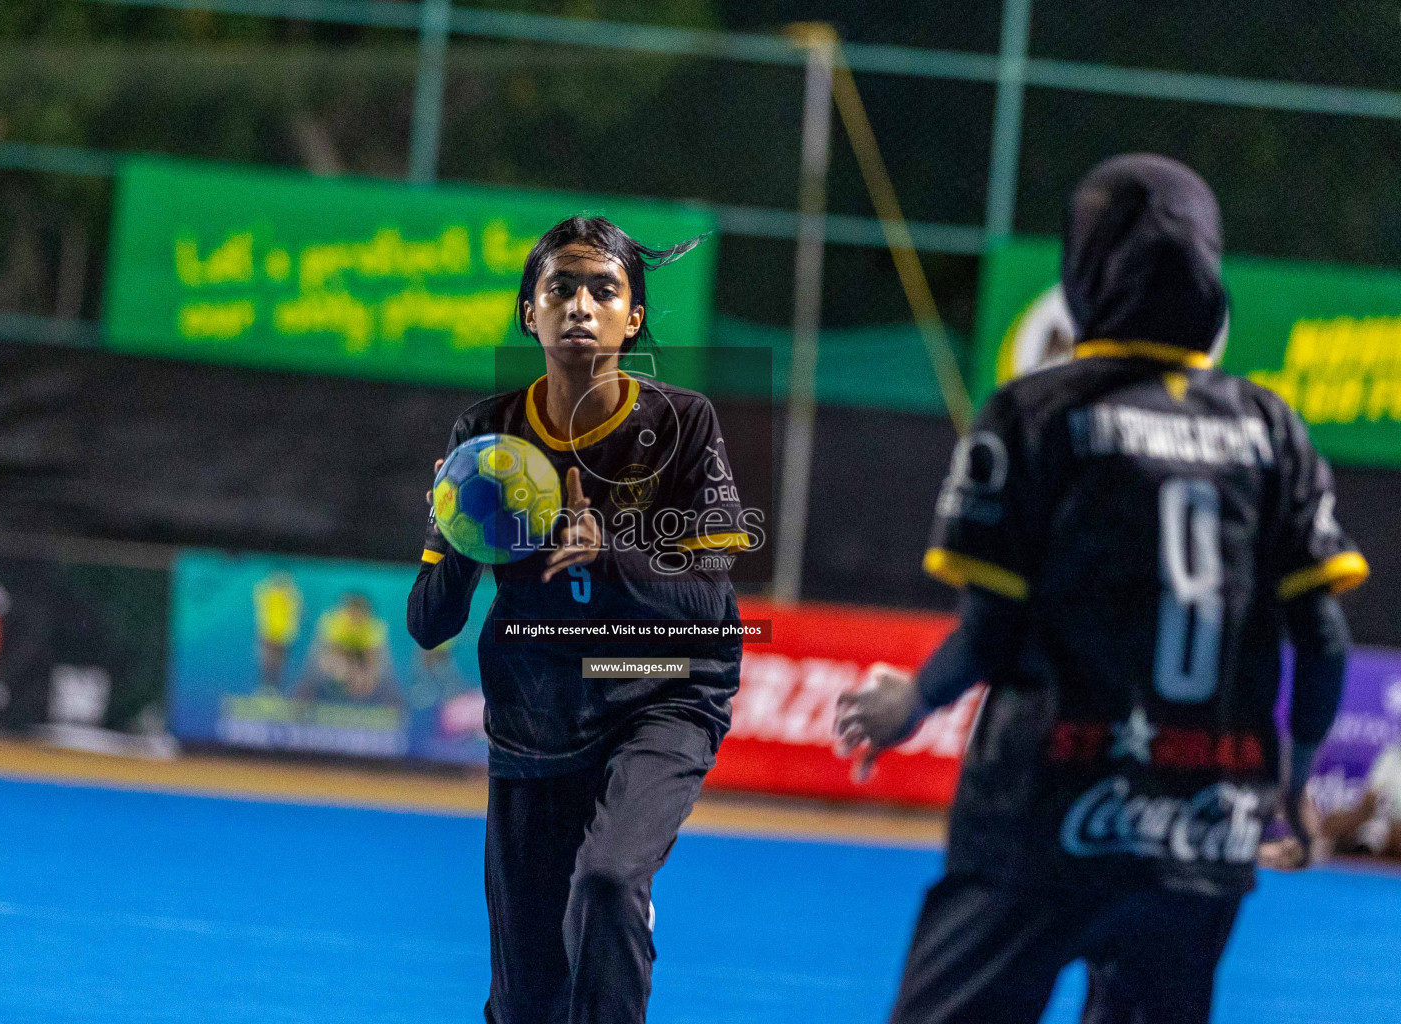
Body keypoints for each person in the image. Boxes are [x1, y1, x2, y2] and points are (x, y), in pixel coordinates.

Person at [834, 154, 1368, 1024]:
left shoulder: (1034, 414)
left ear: (1082, 273)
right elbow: (1324, 639)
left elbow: (990, 631)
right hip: (1206, 826)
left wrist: (913, 703)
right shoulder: (1272, 428)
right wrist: (1296, 783)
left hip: (1044, 810)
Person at [407, 215, 752, 1024]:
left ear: (633, 318)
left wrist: (612, 554)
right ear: (530, 311)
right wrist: (457, 530)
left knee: (608, 879)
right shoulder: (483, 437)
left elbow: (709, 606)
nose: (580, 303)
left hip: (660, 698)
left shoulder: (683, 424)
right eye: (560, 286)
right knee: (528, 1002)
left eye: (604, 288)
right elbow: (430, 623)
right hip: (535, 719)